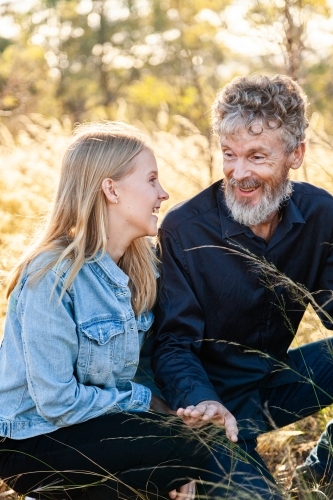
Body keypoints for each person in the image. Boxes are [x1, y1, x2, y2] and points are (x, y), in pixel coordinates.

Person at [0, 121, 211, 500]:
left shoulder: (140, 268)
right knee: (176, 449)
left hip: (86, 429)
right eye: (151, 180)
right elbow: (56, 401)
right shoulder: (52, 276)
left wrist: (179, 458)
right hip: (28, 438)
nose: (163, 194)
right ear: (111, 189)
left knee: (189, 447)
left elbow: (143, 364)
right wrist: (149, 405)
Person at [152, 74, 333, 499]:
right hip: (214, 413)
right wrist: (201, 402)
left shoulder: (322, 212)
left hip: (275, 383)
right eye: (229, 155)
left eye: (256, 156)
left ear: (296, 155)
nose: (239, 173)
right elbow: (173, 344)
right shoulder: (183, 228)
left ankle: (320, 473)